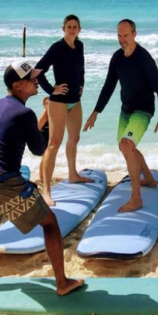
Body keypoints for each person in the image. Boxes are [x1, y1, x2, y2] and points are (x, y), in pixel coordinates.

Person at [0, 59, 84, 297]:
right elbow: (39, 149)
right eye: (31, 79)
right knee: (50, 223)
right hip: (5, 183)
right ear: (17, 85)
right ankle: (62, 283)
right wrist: (45, 117)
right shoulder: (25, 113)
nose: (36, 82)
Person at [84, 19, 158, 212]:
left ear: (134, 35)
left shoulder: (144, 58)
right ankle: (148, 178)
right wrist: (96, 111)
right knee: (126, 147)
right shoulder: (117, 58)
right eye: (119, 36)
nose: (122, 40)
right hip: (127, 110)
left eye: (126, 35)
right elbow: (109, 86)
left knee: (126, 144)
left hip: (143, 110)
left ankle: (136, 198)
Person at [36, 14, 92, 207]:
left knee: (74, 138)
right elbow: (37, 71)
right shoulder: (57, 48)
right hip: (58, 102)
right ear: (63, 29)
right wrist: (51, 89)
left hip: (75, 101)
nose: (72, 29)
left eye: (75, 26)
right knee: (54, 143)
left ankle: (72, 174)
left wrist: (82, 84)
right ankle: (46, 191)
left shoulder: (80, 46)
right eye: (69, 26)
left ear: (79, 29)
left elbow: (81, 69)